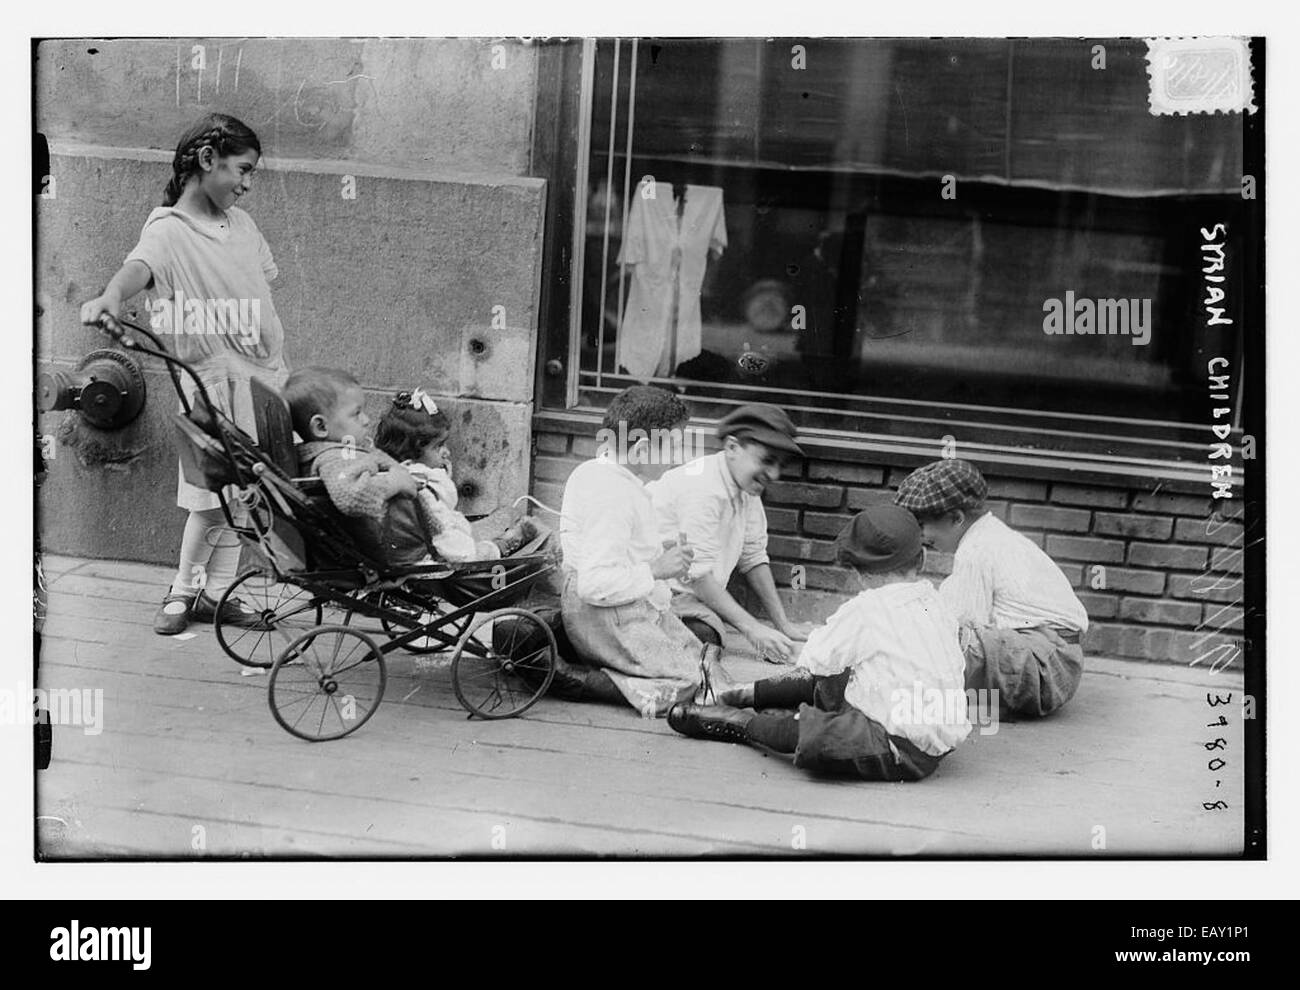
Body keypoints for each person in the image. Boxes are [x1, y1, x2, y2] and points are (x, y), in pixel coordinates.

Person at [79, 112, 286, 636]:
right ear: (207, 159)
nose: (246, 183)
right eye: (242, 169)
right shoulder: (168, 229)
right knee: (210, 499)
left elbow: (259, 284)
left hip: (263, 379)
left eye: (253, 174)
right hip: (212, 388)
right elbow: (140, 268)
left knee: (247, 496)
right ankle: (184, 589)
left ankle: (217, 596)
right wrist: (111, 296)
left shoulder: (242, 225)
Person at [667, 505, 971, 782]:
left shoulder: (866, 610)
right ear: (923, 558)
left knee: (815, 731)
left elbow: (813, 661)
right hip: (936, 742)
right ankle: (728, 692)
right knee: (845, 678)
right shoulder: (936, 601)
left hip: (897, 748)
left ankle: (738, 720)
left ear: (860, 574)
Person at [557, 385, 722, 715]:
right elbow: (595, 585)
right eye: (673, 447)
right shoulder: (612, 497)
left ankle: (620, 668)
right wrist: (658, 569)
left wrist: (662, 558)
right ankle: (577, 680)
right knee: (693, 682)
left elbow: (623, 550)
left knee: (705, 656)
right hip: (605, 615)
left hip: (628, 606)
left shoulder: (607, 475)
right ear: (643, 449)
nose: (678, 458)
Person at [894, 458, 1087, 718]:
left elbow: (959, 622)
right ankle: (981, 702)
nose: (921, 536)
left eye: (922, 525)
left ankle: (955, 701)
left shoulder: (976, 551)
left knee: (940, 637)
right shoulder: (992, 534)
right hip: (1055, 664)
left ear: (956, 518)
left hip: (1045, 668)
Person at [284, 368, 535, 567]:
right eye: (356, 413)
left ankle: (492, 543)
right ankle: (497, 549)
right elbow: (352, 495)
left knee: (453, 526)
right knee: (460, 546)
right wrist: (397, 481)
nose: (366, 419)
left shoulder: (341, 452)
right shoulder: (334, 459)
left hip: (391, 532)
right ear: (320, 427)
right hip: (394, 543)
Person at [647, 403, 809, 660]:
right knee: (705, 639)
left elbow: (753, 557)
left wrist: (783, 624)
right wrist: (754, 630)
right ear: (732, 447)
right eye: (767, 461)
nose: (774, 474)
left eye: (780, 465)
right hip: (655, 593)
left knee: (707, 638)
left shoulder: (745, 485)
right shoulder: (703, 488)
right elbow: (697, 577)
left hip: (693, 596)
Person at [374, 387, 544, 562]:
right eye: (438, 446)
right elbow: (447, 538)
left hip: (415, 551)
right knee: (501, 541)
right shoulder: (423, 490)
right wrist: (490, 549)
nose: (446, 452)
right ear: (409, 453)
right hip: (439, 564)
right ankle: (505, 544)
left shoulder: (394, 477)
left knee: (500, 519)